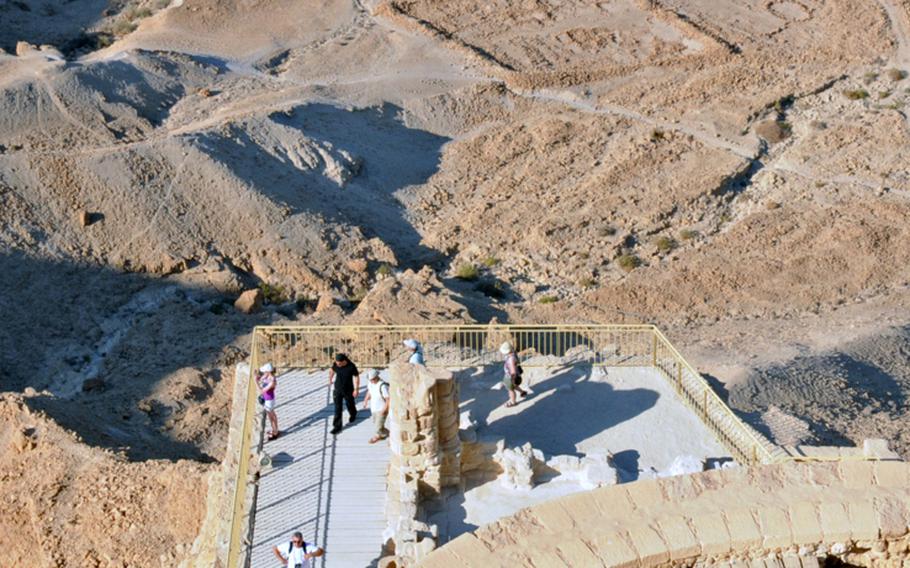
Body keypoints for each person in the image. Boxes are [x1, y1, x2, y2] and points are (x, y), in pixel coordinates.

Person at [328, 353, 360, 435]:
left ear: (344, 361)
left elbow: (356, 377)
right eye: (337, 363)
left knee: (350, 404)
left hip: (348, 390)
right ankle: (337, 427)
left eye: (339, 363)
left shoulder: (351, 366)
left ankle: (353, 414)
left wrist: (356, 390)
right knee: (337, 408)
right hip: (338, 389)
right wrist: (330, 379)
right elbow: (332, 370)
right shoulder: (336, 364)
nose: (337, 364)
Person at [362, 369, 390, 444]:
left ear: (376, 377)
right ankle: (382, 435)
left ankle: (388, 435)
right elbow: (369, 391)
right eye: (370, 380)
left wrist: (385, 409)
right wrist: (365, 400)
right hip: (374, 408)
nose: (371, 381)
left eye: (373, 379)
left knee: (378, 427)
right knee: (377, 424)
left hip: (382, 408)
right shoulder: (370, 383)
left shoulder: (383, 386)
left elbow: (388, 399)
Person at [499, 342, 528, 407]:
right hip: (514, 375)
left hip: (511, 377)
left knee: (511, 390)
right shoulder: (513, 354)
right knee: (514, 386)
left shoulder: (511, 359)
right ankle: (522, 392)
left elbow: (512, 369)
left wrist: (513, 378)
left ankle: (513, 402)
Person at [258, 363, 279, 440]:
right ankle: (275, 430)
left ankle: (275, 433)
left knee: (271, 417)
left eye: (265, 371)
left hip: (269, 400)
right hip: (269, 399)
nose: (264, 373)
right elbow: (261, 379)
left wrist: (255, 381)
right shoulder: (268, 377)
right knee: (273, 415)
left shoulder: (272, 381)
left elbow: (262, 390)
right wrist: (259, 378)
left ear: (268, 371)